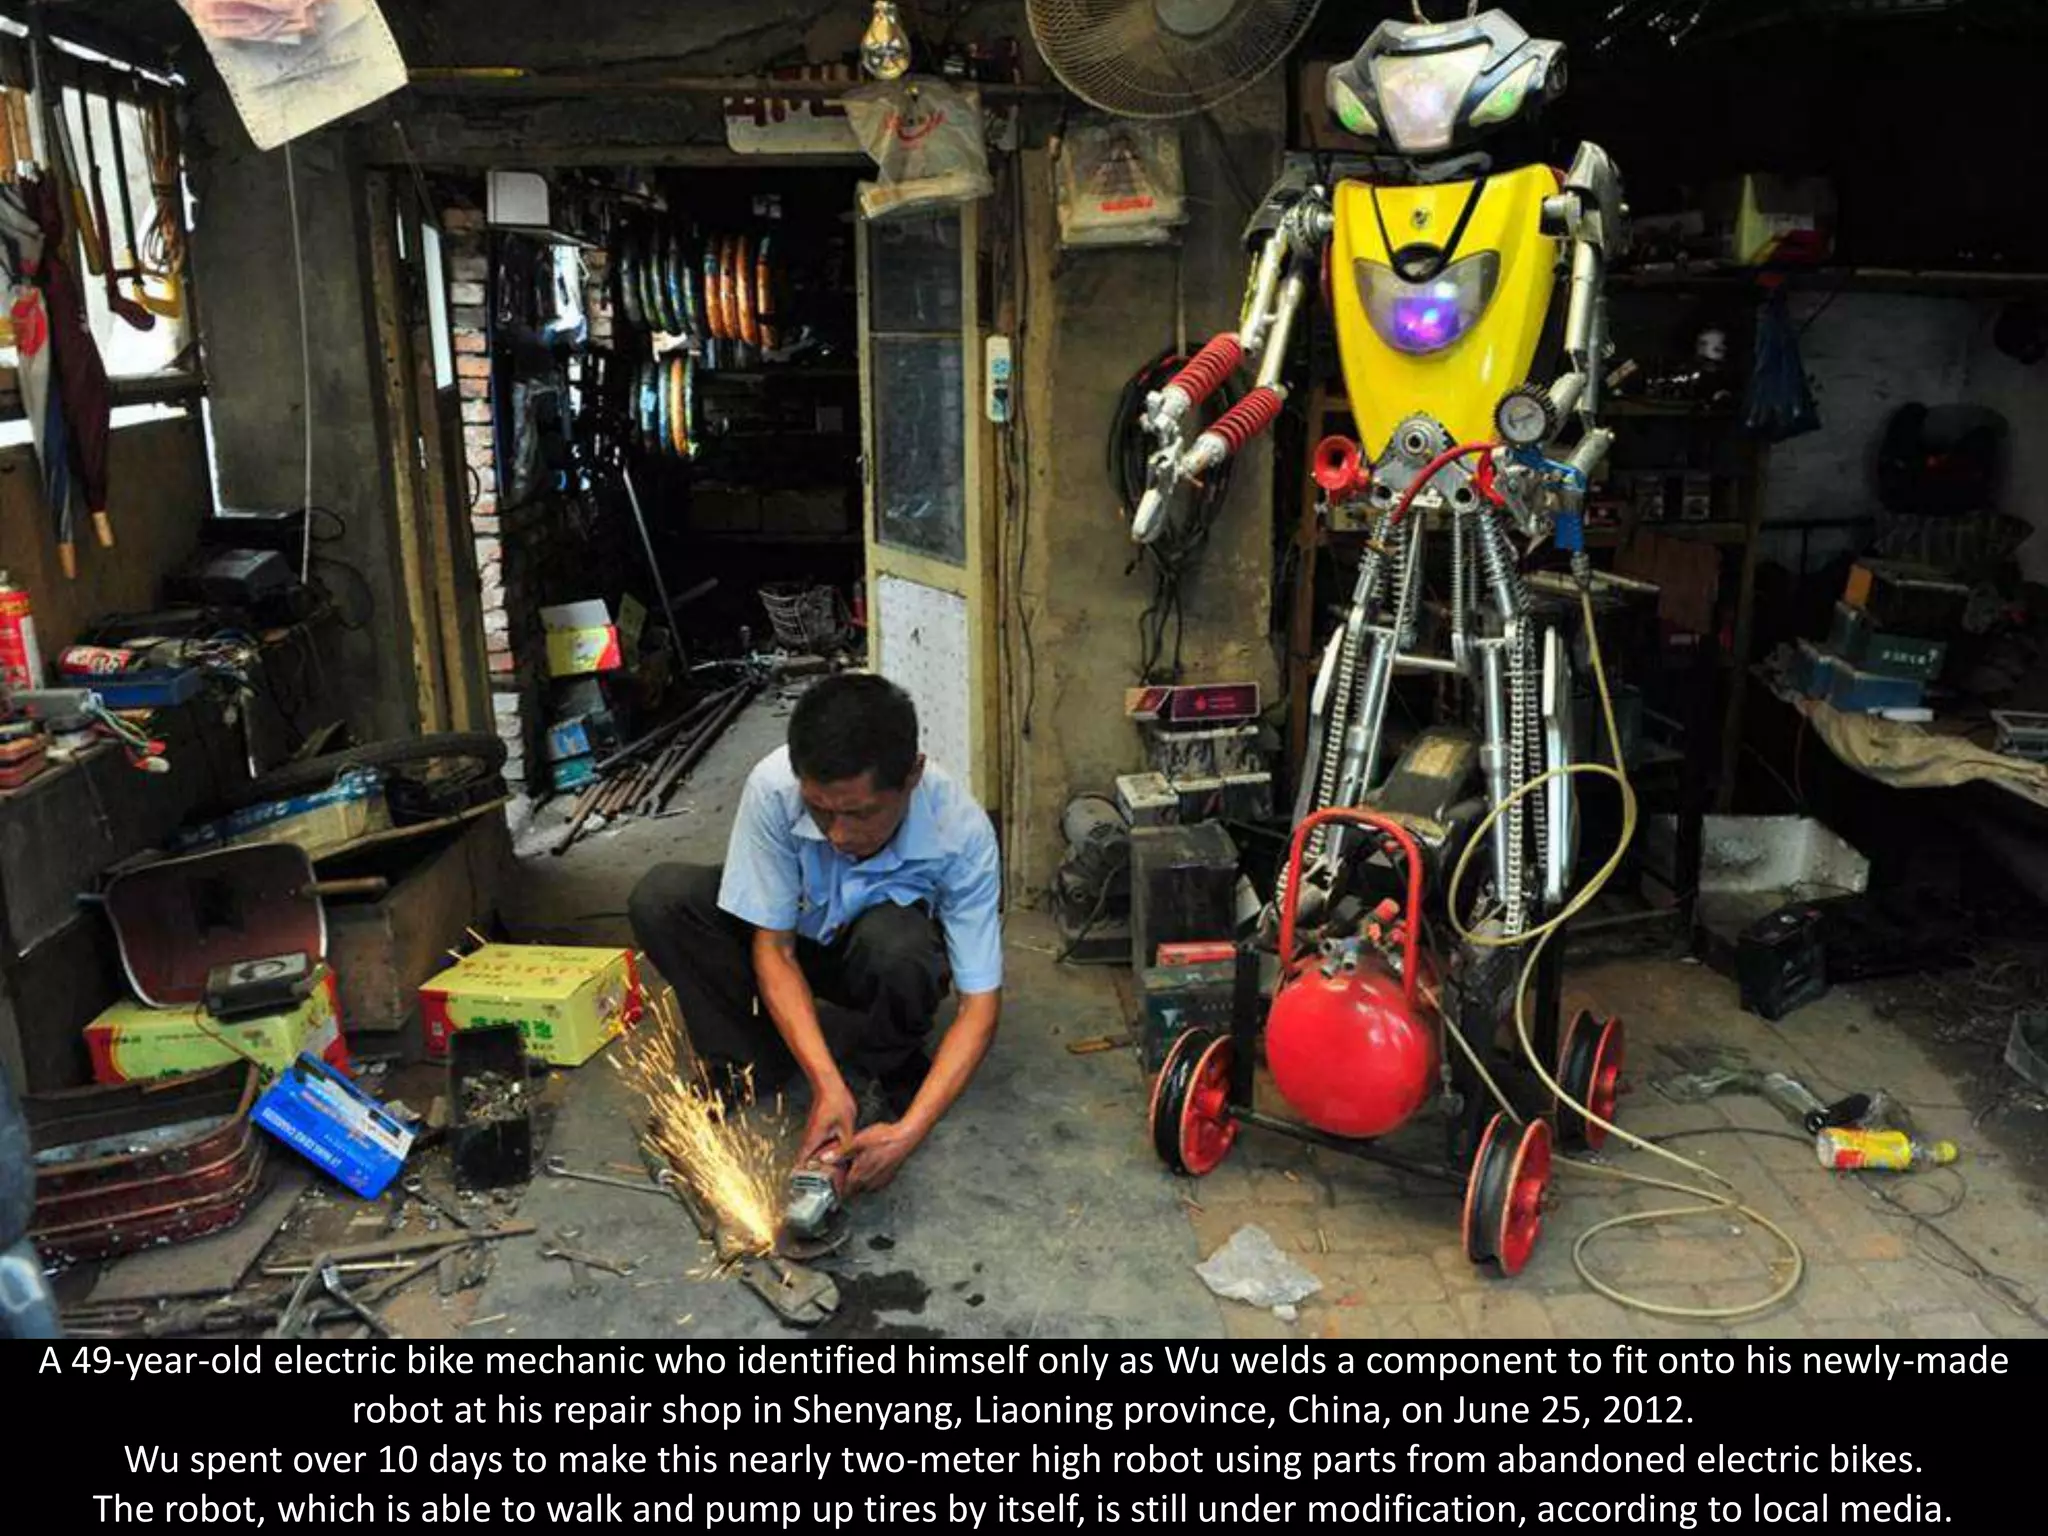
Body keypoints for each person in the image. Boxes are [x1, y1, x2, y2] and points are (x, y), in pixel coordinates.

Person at [629, 673, 1002, 1197]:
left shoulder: (961, 835)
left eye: (860, 813)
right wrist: (824, 1083)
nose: (840, 834)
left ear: (912, 776)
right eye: (820, 811)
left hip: (874, 958)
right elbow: (774, 947)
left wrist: (911, 1132)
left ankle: (881, 1071)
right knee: (664, 898)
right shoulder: (774, 785)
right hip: (797, 939)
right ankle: (749, 1061)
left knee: (902, 947)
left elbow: (979, 1007)